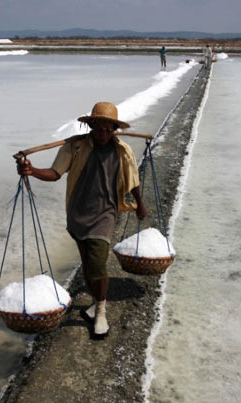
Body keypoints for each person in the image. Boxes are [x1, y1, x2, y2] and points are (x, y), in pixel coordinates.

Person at [16, 102, 147, 338]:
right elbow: (55, 174)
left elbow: (133, 180)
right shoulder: (74, 147)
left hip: (105, 214)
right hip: (77, 213)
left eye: (109, 128)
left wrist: (140, 204)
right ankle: (96, 302)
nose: (103, 133)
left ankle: (101, 311)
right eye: (99, 127)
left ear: (114, 129)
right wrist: (32, 170)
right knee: (87, 263)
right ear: (91, 126)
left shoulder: (122, 151)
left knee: (98, 263)